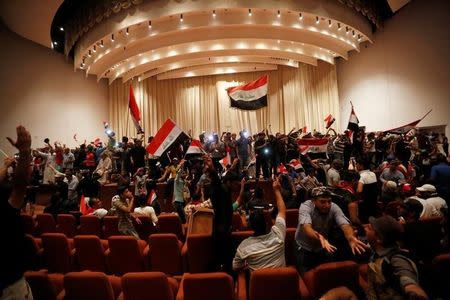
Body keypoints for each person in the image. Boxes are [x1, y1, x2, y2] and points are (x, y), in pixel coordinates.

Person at [294, 187, 368, 274]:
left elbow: (344, 224)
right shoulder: (306, 206)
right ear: (313, 201)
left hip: (322, 247)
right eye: (322, 202)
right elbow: (307, 228)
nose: (327, 205)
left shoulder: (334, 207)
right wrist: (319, 237)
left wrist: (350, 237)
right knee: (305, 275)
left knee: (323, 275)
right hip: (303, 247)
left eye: (329, 201)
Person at [0, 125, 34, 298]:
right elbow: (20, 183)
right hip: (11, 288)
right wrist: (25, 151)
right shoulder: (6, 211)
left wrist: (6, 165)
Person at [364, 215, 428, 299]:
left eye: (369, 228)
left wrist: (413, 291)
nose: (365, 229)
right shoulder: (378, 252)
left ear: (379, 238)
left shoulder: (397, 259)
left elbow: (408, 280)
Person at [233, 178, 287, 272]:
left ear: (250, 225)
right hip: (282, 284)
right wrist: (277, 190)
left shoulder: (244, 247)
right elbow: (282, 211)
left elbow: (236, 267)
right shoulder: (279, 235)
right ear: (268, 224)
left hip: (257, 286)